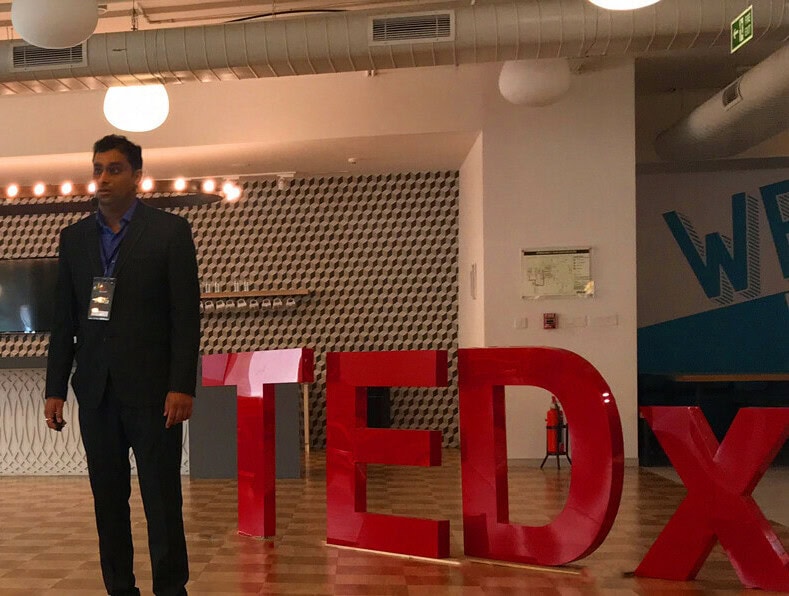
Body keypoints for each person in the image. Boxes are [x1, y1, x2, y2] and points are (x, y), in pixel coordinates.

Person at [44, 134, 201, 596]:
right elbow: (64, 318)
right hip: (96, 393)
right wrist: (55, 388)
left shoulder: (170, 232)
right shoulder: (73, 239)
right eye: (97, 169)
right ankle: (120, 589)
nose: (103, 178)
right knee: (108, 504)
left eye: (114, 169)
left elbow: (185, 317)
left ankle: (171, 589)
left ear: (137, 176)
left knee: (162, 500)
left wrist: (182, 385)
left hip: (155, 395)